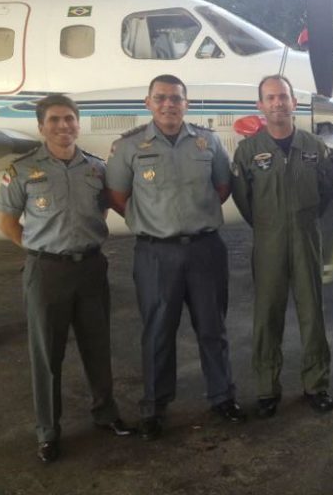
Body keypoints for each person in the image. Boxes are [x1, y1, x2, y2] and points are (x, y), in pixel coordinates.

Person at [0, 95, 134, 464]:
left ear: (78, 123)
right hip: (47, 271)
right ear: (42, 127)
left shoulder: (96, 168)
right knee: (46, 354)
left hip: (90, 267)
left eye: (69, 119)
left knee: (97, 345)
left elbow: (102, 208)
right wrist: (41, 247)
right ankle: (48, 431)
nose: (63, 126)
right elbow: (7, 221)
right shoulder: (22, 170)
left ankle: (105, 413)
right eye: (54, 120)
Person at [106, 74, 245, 440]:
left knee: (213, 328)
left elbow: (222, 186)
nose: (169, 104)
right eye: (161, 98)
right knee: (158, 332)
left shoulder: (207, 140)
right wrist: (151, 222)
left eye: (176, 98)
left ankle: (222, 397)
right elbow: (117, 195)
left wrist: (193, 219)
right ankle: (154, 407)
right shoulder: (129, 147)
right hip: (156, 253)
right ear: (148, 102)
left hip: (204, 250)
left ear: (187, 103)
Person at [232, 75, 333, 418]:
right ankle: (266, 387)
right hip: (268, 239)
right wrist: (268, 223)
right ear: (261, 105)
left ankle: (316, 384)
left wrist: (302, 218)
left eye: (284, 97)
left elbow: (326, 192)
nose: (278, 103)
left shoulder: (313, 146)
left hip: (307, 236)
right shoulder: (248, 150)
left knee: (312, 313)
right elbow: (243, 199)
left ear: (294, 102)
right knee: (267, 315)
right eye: (271, 97)